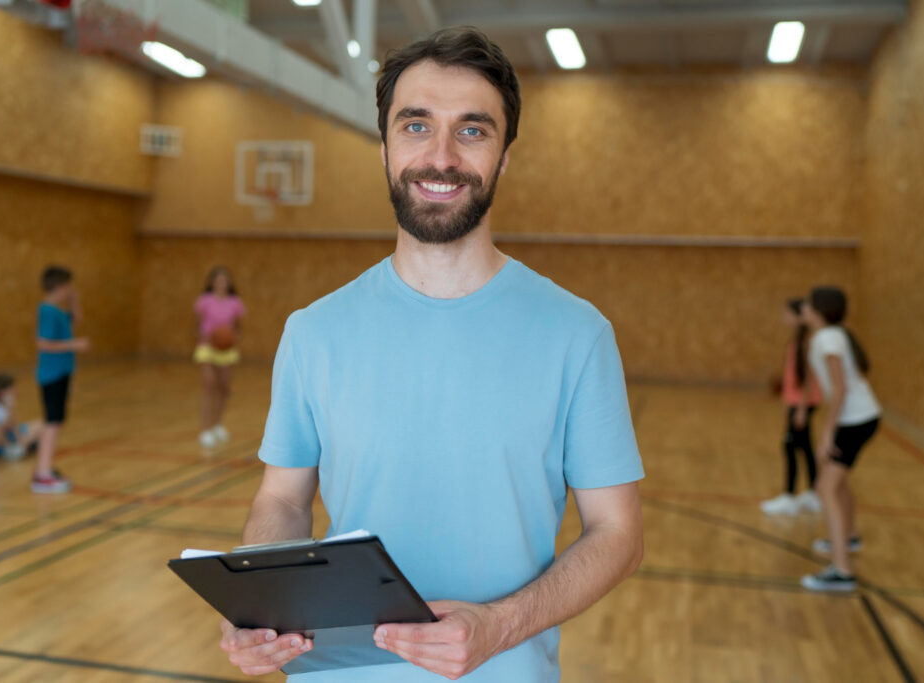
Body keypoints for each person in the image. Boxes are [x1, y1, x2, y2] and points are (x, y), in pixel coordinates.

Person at [219, 28, 644, 682]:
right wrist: (261, 598)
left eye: (472, 131)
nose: (440, 156)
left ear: (504, 157)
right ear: (383, 146)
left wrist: (499, 624)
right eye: (416, 125)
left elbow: (617, 531)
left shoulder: (576, 334)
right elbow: (282, 498)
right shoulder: (313, 331)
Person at [799, 286, 880, 592]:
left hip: (854, 420)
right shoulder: (833, 335)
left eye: (807, 303)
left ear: (819, 309)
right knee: (838, 482)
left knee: (826, 486)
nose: (803, 307)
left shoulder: (826, 338)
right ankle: (849, 536)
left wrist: (827, 433)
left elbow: (840, 389)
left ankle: (841, 571)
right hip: (864, 417)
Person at [760, 299, 822, 516]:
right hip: (797, 403)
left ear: (798, 317)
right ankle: (815, 493)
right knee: (805, 447)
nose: (784, 318)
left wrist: (801, 409)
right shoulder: (797, 342)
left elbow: (807, 380)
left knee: (789, 447)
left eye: (787, 314)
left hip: (803, 404)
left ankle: (789, 496)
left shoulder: (806, 342)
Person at [34, 265, 89, 494]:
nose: (70, 290)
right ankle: (42, 474)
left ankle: (45, 468)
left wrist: (75, 301)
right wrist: (73, 345)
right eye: (68, 286)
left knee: (57, 422)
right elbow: (42, 343)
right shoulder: (47, 311)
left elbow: (77, 318)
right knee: (52, 423)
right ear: (58, 286)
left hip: (62, 373)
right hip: (51, 374)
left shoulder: (58, 311)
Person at [193, 266, 245, 449]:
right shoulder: (204, 301)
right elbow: (197, 325)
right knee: (209, 386)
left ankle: (217, 424)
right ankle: (205, 428)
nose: (221, 282)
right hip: (207, 347)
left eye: (225, 279)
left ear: (229, 282)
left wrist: (233, 337)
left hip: (227, 349)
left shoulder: (235, 302)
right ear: (212, 282)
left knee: (224, 387)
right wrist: (205, 337)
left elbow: (238, 327)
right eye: (218, 279)